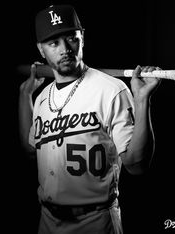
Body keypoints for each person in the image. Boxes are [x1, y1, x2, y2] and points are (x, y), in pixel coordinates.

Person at [18, 4, 161, 234]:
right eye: (53, 43)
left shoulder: (111, 89)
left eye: (71, 38)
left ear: (82, 37)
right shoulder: (43, 98)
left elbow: (137, 165)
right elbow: (30, 149)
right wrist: (25, 96)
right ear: (41, 50)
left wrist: (142, 100)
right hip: (47, 221)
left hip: (95, 221)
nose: (65, 49)